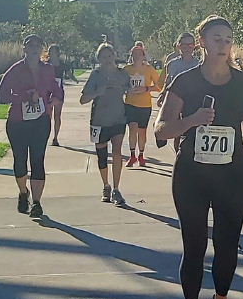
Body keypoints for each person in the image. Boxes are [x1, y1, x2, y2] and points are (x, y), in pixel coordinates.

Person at [155, 16, 243, 299]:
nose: (223, 44)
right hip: (192, 175)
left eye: (228, 39)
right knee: (195, 244)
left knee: (228, 244)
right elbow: (161, 130)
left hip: (231, 173)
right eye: (216, 38)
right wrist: (193, 120)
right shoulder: (185, 82)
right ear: (201, 42)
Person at [0, 34, 62, 218]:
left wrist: (56, 98)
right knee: (20, 161)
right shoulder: (16, 69)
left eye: (37, 45)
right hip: (18, 122)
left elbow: (56, 88)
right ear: (23, 48)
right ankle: (23, 192)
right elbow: (0, 94)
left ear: (42, 49)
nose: (34, 49)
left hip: (41, 120)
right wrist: (24, 97)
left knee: (37, 160)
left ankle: (37, 203)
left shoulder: (48, 69)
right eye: (30, 45)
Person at [80, 43, 132, 206]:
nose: (108, 59)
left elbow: (130, 90)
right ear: (99, 59)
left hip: (118, 118)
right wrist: (98, 91)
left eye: (110, 56)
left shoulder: (123, 74)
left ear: (115, 56)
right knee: (102, 155)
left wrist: (126, 90)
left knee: (117, 151)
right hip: (99, 121)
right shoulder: (96, 75)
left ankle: (116, 189)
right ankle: (106, 186)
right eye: (104, 57)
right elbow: (83, 99)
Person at [158, 32, 200, 152]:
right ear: (178, 46)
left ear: (194, 47)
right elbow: (168, 82)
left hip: (193, 102)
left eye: (190, 45)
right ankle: (178, 154)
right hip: (176, 101)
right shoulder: (172, 64)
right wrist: (162, 94)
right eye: (184, 45)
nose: (187, 48)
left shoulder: (199, 64)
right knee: (177, 131)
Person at [124, 44, 161, 167]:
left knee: (142, 131)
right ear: (131, 56)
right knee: (132, 128)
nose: (137, 57)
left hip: (144, 105)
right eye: (135, 54)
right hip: (130, 104)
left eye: (140, 54)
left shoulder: (149, 69)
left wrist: (146, 89)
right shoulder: (126, 69)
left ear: (144, 56)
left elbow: (159, 86)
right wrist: (126, 90)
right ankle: (132, 155)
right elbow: (120, 85)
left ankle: (141, 155)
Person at [45, 44, 76, 147]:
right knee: (47, 116)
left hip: (58, 92)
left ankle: (55, 138)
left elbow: (69, 74)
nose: (51, 53)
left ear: (57, 53)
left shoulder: (62, 65)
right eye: (50, 51)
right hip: (47, 92)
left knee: (57, 115)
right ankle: (45, 136)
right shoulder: (45, 65)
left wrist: (74, 79)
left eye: (53, 51)